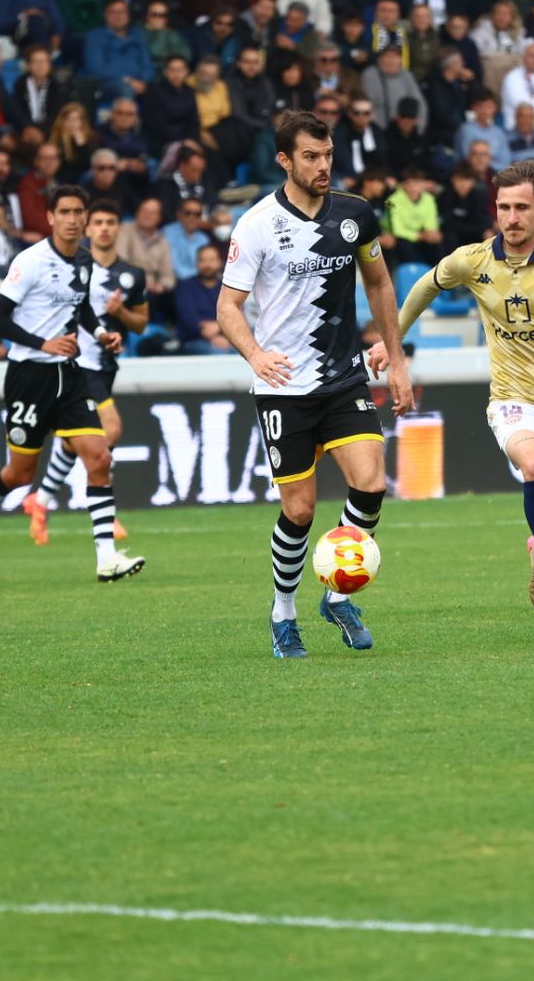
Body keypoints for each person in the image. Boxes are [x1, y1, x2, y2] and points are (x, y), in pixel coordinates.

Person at [216, 109, 413, 658]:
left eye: (327, 155)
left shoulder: (355, 215)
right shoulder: (256, 224)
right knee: (299, 510)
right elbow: (228, 308)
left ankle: (335, 593)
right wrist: (254, 354)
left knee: (371, 483)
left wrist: (396, 359)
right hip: (283, 388)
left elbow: (378, 283)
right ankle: (283, 613)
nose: (323, 166)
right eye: (310, 156)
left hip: (342, 376)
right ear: (285, 160)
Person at [377, 157, 534, 620]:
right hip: (513, 398)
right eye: (504, 207)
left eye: (522, 207)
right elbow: (426, 285)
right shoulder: (475, 259)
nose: (512, 218)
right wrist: (392, 338)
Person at [0, 185, 142, 582]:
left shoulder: (84, 261)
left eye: (77, 212)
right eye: (64, 212)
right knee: (19, 475)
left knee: (99, 456)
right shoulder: (30, 261)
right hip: (29, 377)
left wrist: (102, 333)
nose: (72, 219)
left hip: (69, 375)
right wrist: (44, 344)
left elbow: (81, 306)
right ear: (50, 217)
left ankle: (106, 557)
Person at [22, 198, 149, 544]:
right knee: (111, 430)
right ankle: (106, 514)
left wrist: (121, 314)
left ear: (118, 228)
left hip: (106, 365)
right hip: (79, 364)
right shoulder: (72, 266)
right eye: (98, 222)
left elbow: (141, 323)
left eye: (111, 222)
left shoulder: (132, 274)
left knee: (76, 440)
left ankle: (41, 499)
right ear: (88, 228)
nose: (104, 228)